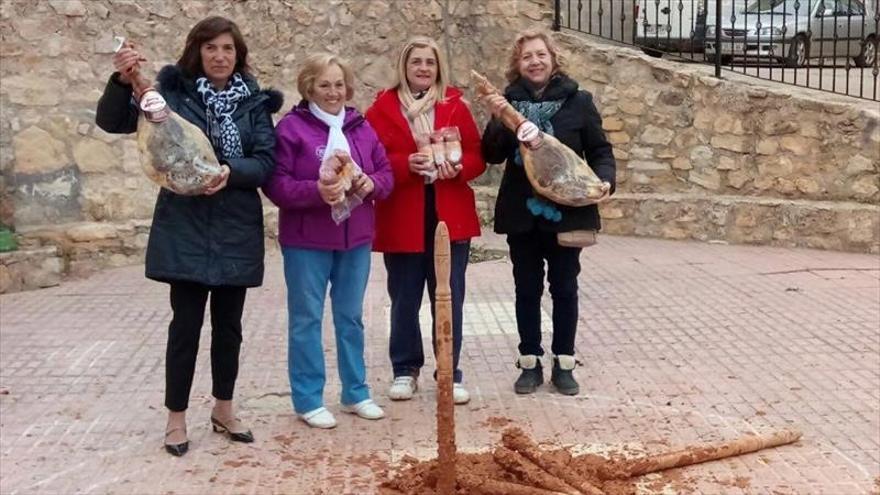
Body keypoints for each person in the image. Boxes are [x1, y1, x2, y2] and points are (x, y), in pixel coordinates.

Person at [95, 16, 283, 455]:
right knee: (185, 326)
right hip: (185, 224)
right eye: (211, 48)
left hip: (236, 223)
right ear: (197, 51)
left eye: (228, 49)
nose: (220, 56)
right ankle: (175, 417)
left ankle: (224, 408)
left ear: (239, 57)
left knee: (230, 327)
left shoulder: (254, 104)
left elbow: (265, 162)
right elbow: (114, 122)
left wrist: (229, 171)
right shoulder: (171, 93)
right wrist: (123, 82)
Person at [480, 30, 615, 396]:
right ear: (517, 65)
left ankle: (564, 361)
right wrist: (496, 120)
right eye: (527, 57)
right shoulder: (507, 103)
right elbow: (491, 155)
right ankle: (529, 362)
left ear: (553, 59)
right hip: (522, 213)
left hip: (568, 212)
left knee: (565, 288)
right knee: (526, 289)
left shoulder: (579, 102)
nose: (535, 62)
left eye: (541, 55)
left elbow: (600, 150)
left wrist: (605, 180)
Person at [263, 53, 394, 429]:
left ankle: (356, 392)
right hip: (307, 241)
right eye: (324, 85)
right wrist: (317, 191)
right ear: (309, 87)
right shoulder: (291, 129)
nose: (333, 92)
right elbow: (276, 184)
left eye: (339, 84)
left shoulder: (360, 127)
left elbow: (385, 172)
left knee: (351, 318)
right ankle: (307, 399)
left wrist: (372, 183)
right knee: (306, 319)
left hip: (356, 238)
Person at [365, 37, 486, 405]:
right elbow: (371, 160)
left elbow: (478, 157)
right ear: (404, 66)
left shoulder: (454, 105)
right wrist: (406, 165)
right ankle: (405, 369)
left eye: (429, 63)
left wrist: (460, 166)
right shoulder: (382, 108)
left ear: (438, 68)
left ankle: (449, 371)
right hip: (404, 216)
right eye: (416, 61)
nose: (422, 68)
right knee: (404, 299)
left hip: (449, 213)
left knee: (449, 298)